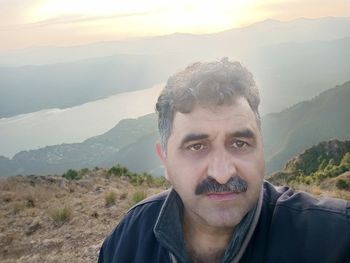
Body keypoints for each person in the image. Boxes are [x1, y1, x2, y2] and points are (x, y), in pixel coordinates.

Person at [98, 58, 350, 263]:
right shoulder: (128, 239)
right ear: (164, 160)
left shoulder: (334, 239)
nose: (222, 174)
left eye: (240, 143)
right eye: (196, 146)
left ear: (261, 147)